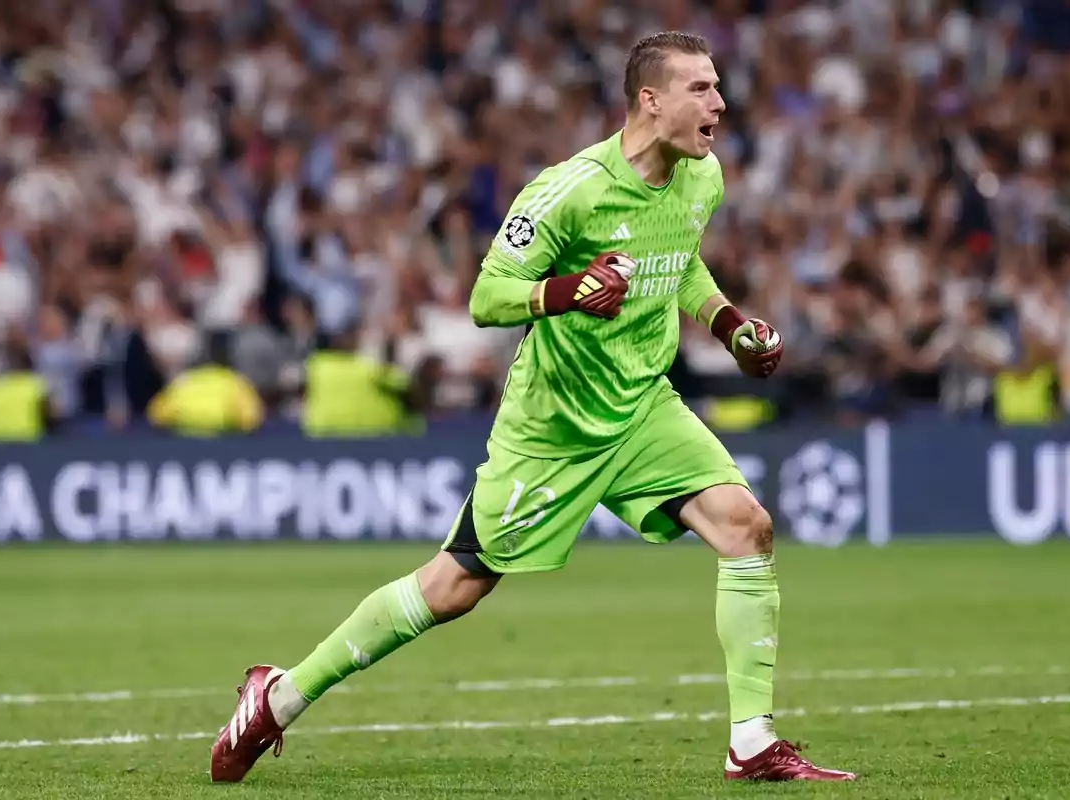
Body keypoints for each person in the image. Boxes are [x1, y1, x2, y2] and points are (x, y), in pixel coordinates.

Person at [209, 31, 855, 784]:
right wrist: (567, 290)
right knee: (453, 588)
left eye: (717, 87)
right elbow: (486, 298)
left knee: (747, 527)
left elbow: (679, 259)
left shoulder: (701, 177)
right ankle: (278, 696)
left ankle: (751, 741)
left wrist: (729, 326)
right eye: (701, 88)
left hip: (644, 408)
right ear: (650, 100)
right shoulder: (568, 189)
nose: (719, 103)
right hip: (553, 426)